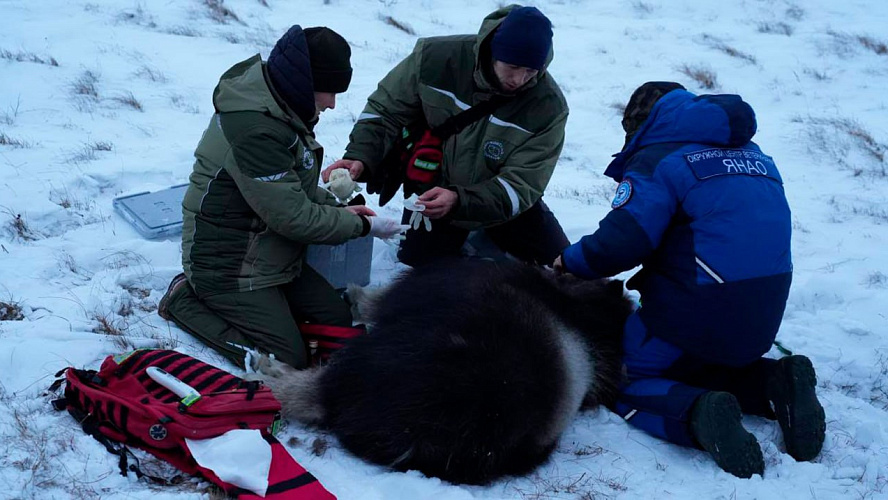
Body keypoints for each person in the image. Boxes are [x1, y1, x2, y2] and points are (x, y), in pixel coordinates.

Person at [554, 82, 826, 477]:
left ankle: (698, 416)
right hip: (764, 314)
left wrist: (569, 261)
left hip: (698, 310)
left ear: (641, 123)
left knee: (626, 377)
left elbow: (623, 242)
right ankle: (774, 383)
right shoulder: (757, 157)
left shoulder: (661, 158)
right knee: (705, 362)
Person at [157, 25, 407, 369]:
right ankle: (183, 300)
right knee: (286, 359)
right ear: (305, 82)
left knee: (335, 319)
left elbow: (289, 190)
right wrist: (360, 227)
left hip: (270, 256)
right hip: (227, 267)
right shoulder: (257, 130)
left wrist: (335, 208)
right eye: (328, 91)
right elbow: (293, 218)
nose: (333, 104)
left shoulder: (280, 107)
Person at [322, 5, 570, 267]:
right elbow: (384, 113)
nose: (519, 79)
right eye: (512, 66)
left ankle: (488, 237)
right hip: (431, 195)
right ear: (493, 52)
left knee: (563, 269)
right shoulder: (434, 59)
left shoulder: (549, 107)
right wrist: (360, 156)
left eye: (531, 71)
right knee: (418, 265)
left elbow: (521, 185)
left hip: (501, 208)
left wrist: (459, 200)